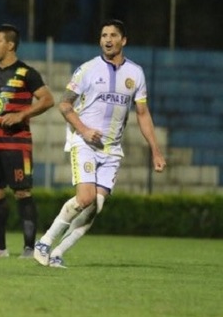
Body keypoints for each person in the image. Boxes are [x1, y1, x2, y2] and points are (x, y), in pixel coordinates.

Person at [34, 19, 166, 268]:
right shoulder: (87, 69)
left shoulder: (135, 73)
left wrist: (156, 151)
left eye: (113, 35)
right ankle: (45, 242)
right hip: (84, 142)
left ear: (123, 40)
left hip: (112, 149)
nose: (107, 39)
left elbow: (142, 114)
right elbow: (64, 104)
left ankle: (58, 253)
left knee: (96, 207)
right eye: (104, 35)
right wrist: (83, 130)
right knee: (85, 198)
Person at [0, 24, 54, 259]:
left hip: (17, 144)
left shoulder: (27, 73)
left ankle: (29, 248)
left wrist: (22, 114)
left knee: (22, 192)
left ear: (10, 45)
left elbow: (47, 100)